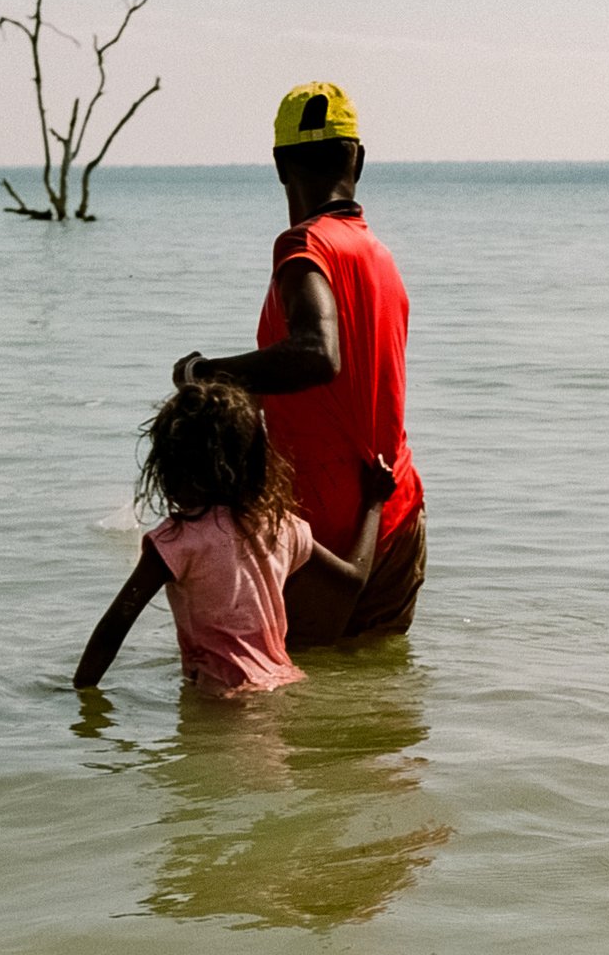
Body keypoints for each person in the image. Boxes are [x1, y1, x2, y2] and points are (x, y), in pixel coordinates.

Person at [169, 81, 425, 647]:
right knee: (372, 700)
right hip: (395, 511)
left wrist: (201, 373)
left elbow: (316, 355)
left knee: (287, 704)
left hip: (319, 533)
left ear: (280, 165)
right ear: (358, 158)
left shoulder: (302, 247)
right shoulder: (379, 256)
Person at [74, 374, 397, 697]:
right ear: (255, 463)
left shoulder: (175, 542)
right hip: (284, 681)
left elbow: (114, 627)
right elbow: (353, 577)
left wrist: (80, 696)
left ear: (170, 468)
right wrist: (373, 505)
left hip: (225, 696)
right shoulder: (281, 526)